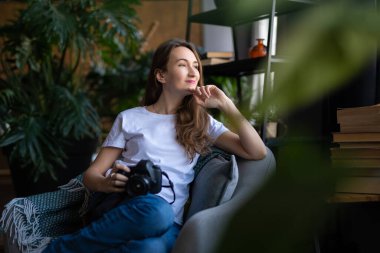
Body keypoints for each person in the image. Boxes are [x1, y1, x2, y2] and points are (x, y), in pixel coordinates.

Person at [42, 38, 267, 253]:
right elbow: (92, 175)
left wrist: (227, 105)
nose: (193, 72)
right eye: (182, 65)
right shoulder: (130, 118)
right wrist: (107, 183)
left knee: (150, 247)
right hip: (129, 207)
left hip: (170, 223)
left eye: (196, 66)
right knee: (157, 212)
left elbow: (257, 152)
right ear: (161, 75)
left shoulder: (201, 123)